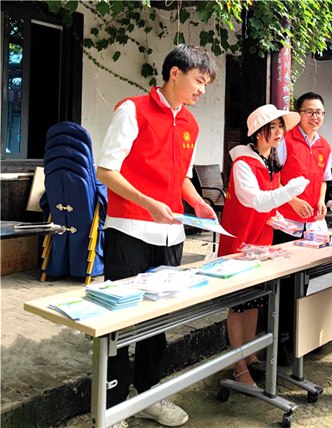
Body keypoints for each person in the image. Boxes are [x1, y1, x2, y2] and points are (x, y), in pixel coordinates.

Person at [96, 44, 218, 427]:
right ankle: (112, 404)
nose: (202, 90)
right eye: (199, 81)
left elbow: (181, 178)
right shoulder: (131, 110)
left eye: (207, 84)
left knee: (158, 320)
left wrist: (198, 203)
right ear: (175, 74)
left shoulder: (191, 125)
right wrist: (147, 202)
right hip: (130, 229)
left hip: (170, 234)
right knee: (118, 319)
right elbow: (106, 171)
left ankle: (149, 393)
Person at [218, 105, 308, 386]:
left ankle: (250, 353)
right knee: (239, 305)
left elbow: (268, 205)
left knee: (255, 300)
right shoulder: (244, 163)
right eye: (274, 127)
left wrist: (281, 219)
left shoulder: (268, 161)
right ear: (258, 132)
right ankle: (238, 364)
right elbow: (255, 200)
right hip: (240, 243)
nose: (280, 132)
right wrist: (290, 191)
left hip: (260, 242)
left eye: (281, 126)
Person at [273, 92, 332, 364]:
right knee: (285, 284)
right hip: (286, 221)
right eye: (309, 111)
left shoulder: (325, 146)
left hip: (312, 225)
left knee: (308, 280)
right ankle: (281, 340)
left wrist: (320, 201)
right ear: (299, 114)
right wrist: (293, 200)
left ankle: (302, 335)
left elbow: (323, 179)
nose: (315, 117)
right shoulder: (284, 140)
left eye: (319, 112)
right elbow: (272, 178)